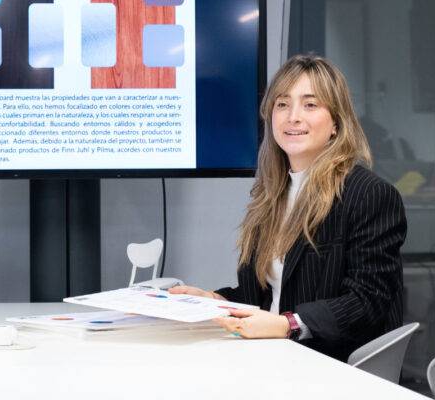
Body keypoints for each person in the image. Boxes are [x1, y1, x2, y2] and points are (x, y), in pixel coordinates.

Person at [169, 54, 407, 361]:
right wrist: (214, 300)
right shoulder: (271, 193)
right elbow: (272, 296)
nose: (293, 116)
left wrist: (288, 325)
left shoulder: (369, 195)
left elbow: (367, 301)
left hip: (330, 367)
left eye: (310, 104)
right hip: (274, 357)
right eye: (282, 104)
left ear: (336, 122)